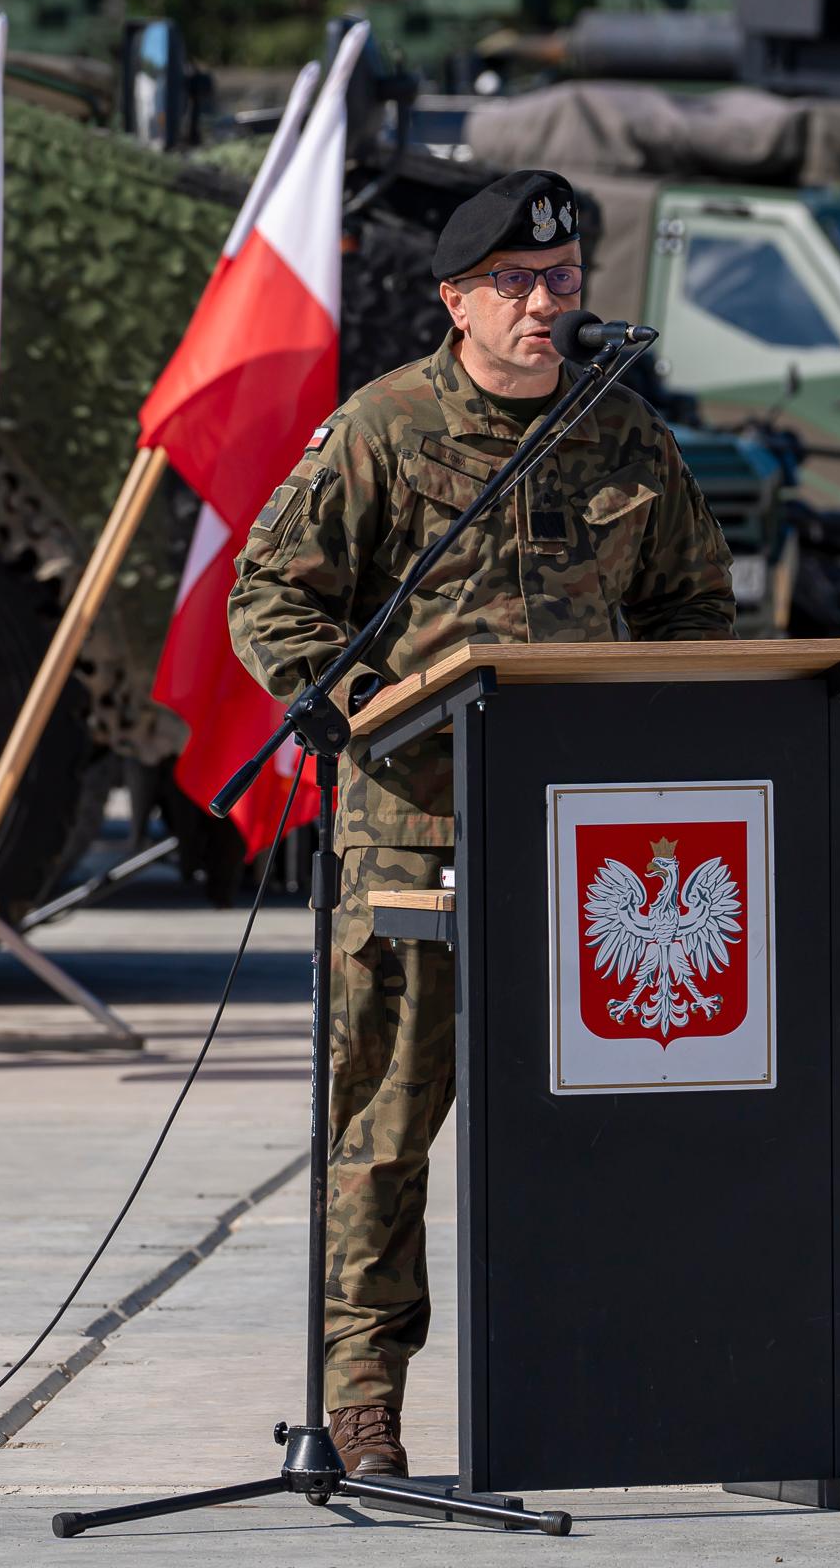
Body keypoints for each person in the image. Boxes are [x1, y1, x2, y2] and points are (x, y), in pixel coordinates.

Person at [227, 168, 735, 1478]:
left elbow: (693, 605)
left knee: (592, 1130)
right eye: (515, 284)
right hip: (416, 836)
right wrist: (365, 707)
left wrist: (656, 726)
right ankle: (361, 1404)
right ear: (457, 301)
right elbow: (270, 595)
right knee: (385, 1132)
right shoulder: (386, 428)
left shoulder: (624, 434)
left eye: (561, 280)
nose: (544, 304)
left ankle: (589, 1385)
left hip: (591, 853)